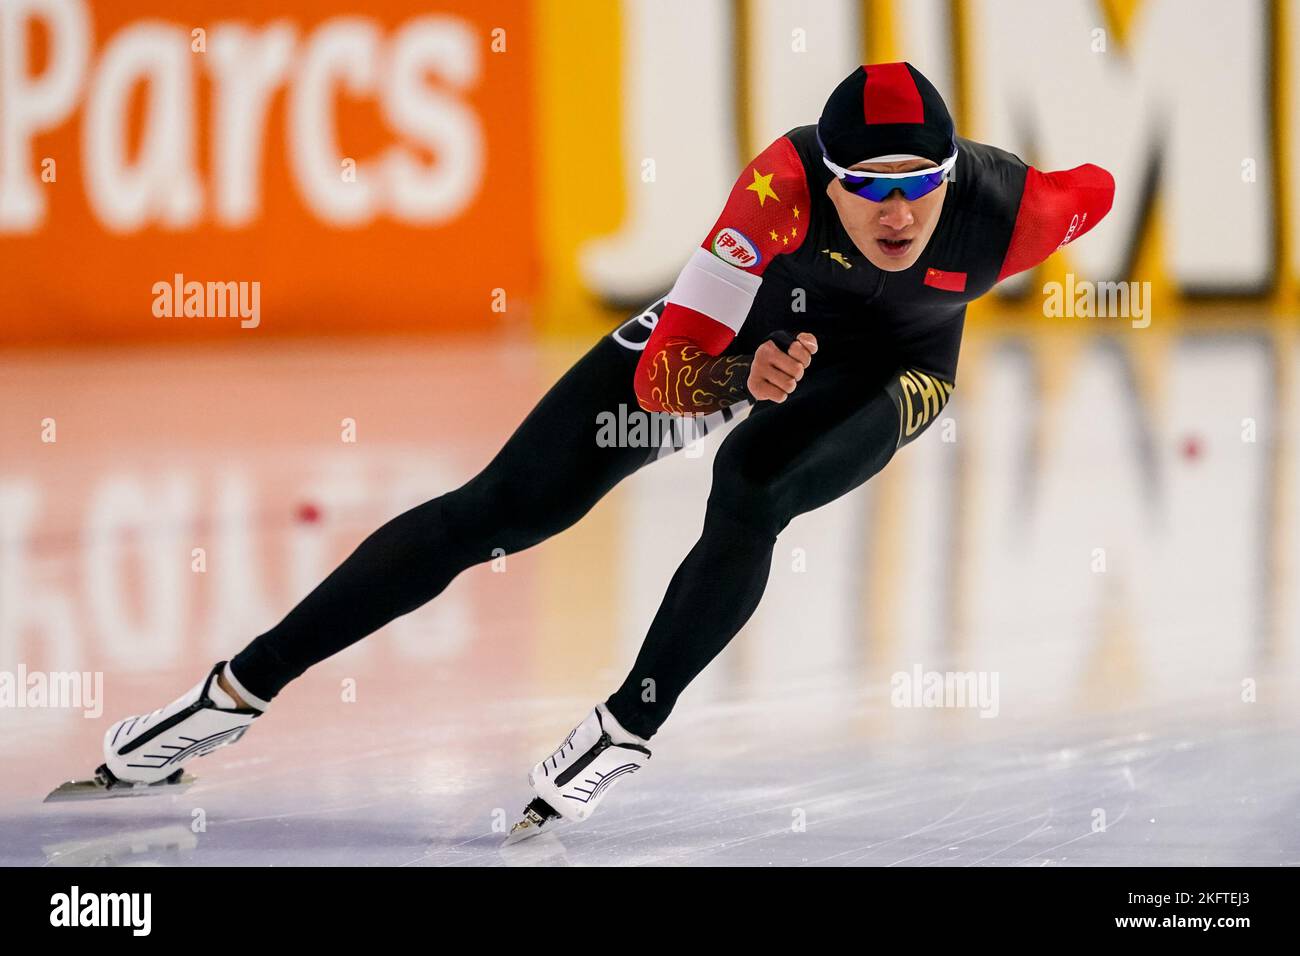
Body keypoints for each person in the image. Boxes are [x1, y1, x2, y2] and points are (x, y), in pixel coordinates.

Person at [87, 62, 1114, 840]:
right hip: (741, 339)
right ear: (824, 177)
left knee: (751, 484)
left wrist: (769, 403)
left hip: (895, 369)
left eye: (918, 184)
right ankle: (230, 694)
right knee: (499, 509)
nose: (897, 212)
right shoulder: (771, 199)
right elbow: (666, 378)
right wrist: (739, 377)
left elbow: (1099, 184)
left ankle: (629, 720)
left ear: (949, 171)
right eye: (866, 185)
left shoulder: (1015, 210)